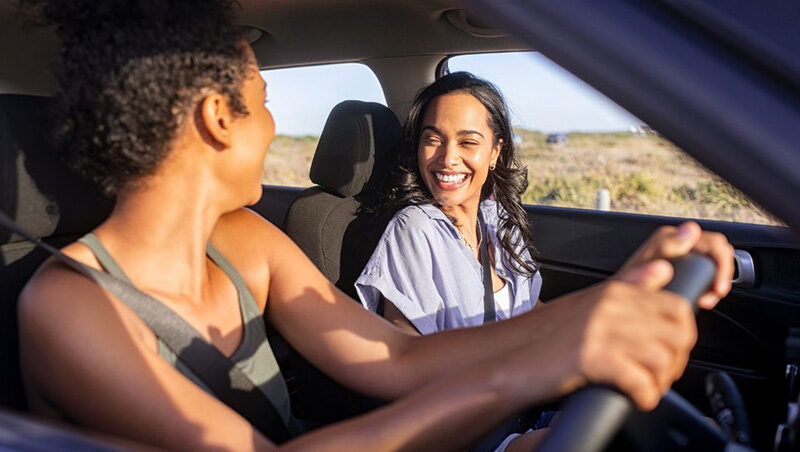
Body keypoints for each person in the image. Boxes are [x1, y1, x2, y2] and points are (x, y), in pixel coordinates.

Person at [17, 1, 733, 451]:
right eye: (263, 100)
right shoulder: (71, 306)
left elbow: (395, 361)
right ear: (214, 115)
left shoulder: (243, 241)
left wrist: (611, 301)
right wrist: (525, 372)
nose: (273, 125)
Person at [354, 72, 735, 450]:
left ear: (495, 152)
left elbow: (533, 313)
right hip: (472, 432)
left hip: (527, 408)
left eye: (467, 141)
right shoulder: (414, 228)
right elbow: (404, 363)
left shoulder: (497, 218)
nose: (447, 158)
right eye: (432, 139)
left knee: (692, 431)